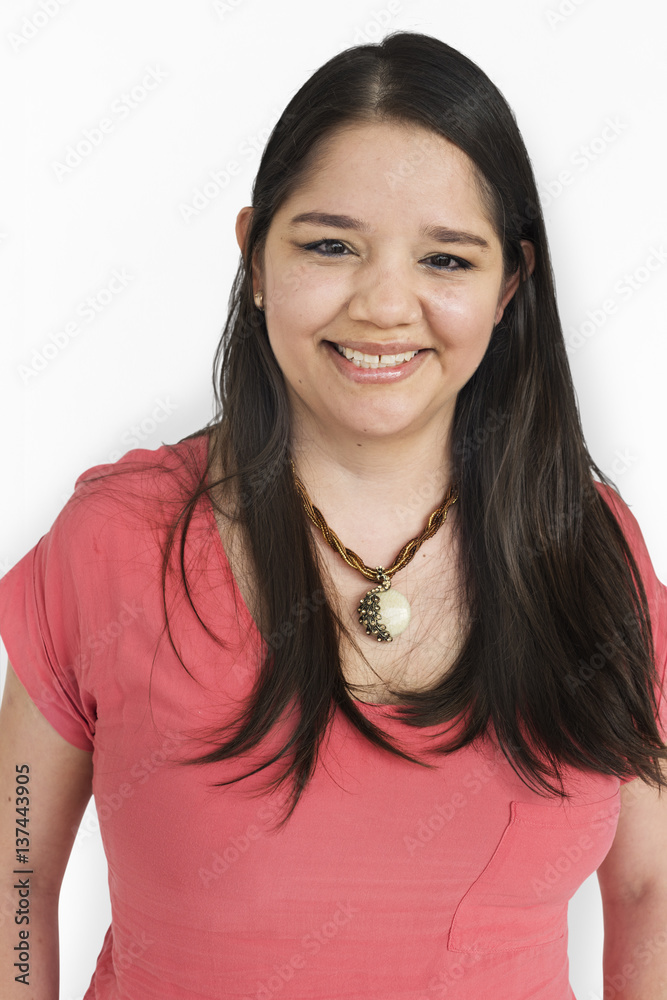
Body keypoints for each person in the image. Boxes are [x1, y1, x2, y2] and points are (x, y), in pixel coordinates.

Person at [1, 29, 666, 1000]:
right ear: (254, 258)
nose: (385, 304)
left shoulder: (586, 544)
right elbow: (18, 873)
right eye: (329, 244)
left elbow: (648, 886)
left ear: (509, 285)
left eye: (446, 259)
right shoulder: (113, 542)